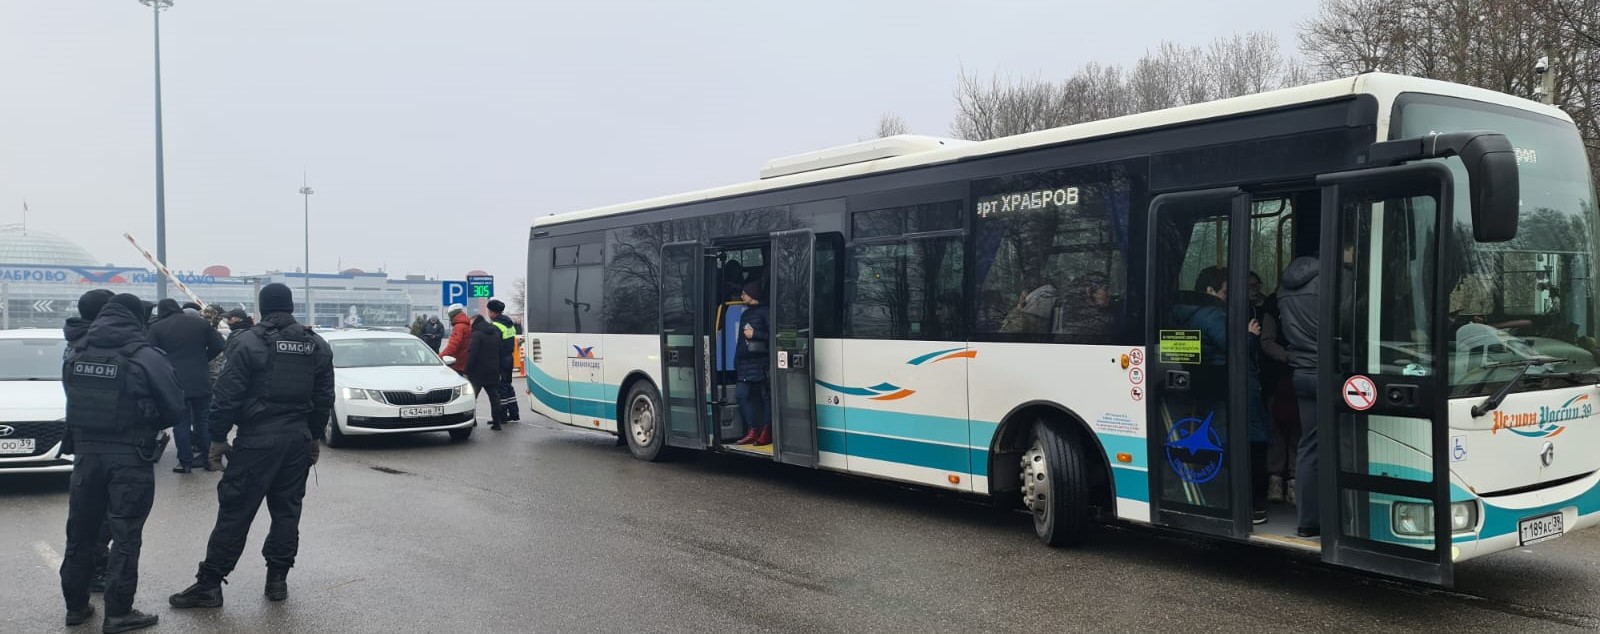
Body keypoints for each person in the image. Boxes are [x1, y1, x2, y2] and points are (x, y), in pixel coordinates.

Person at [169, 284, 335, 609]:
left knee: (235, 512)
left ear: (260, 308)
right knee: (287, 512)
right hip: (297, 440)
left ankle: (210, 584)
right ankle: (277, 582)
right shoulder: (315, 345)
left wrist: (218, 437)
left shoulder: (247, 342)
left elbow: (226, 395)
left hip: (257, 440)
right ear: (291, 307)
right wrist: (313, 436)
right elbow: (323, 398)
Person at [59, 293, 187, 633]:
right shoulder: (145, 356)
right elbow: (175, 408)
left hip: (86, 456)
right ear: (135, 318)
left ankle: (75, 607)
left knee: (81, 533)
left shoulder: (77, 351)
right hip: (130, 457)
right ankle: (118, 613)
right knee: (126, 534)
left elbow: (72, 396)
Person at [1172, 267, 1270, 524]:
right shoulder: (1213, 314)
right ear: (1210, 291)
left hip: (1212, 387)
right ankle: (1253, 507)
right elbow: (1236, 349)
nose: (1230, 296)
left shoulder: (1186, 313)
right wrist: (1249, 336)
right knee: (1253, 442)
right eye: (1226, 291)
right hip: (1235, 386)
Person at [60, 289, 117, 596]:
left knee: (88, 511)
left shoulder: (75, 342)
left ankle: (89, 569)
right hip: (105, 437)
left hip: (84, 435)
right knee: (104, 512)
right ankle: (96, 565)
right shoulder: (92, 345)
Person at [148, 299, 227, 474]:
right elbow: (219, 345)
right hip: (201, 378)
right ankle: (209, 459)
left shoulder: (157, 327)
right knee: (204, 420)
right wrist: (202, 359)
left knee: (181, 423)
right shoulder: (200, 323)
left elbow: (151, 354)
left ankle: (185, 463)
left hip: (174, 381)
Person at [1276, 254, 1322, 538]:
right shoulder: (1331, 280)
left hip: (1301, 373)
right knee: (1341, 444)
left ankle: (1308, 521)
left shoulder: (1283, 289)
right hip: (1329, 372)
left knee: (1309, 444)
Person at [732, 282, 772, 446]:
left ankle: (766, 431)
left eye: (744, 293)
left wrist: (755, 334)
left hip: (761, 362)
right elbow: (741, 341)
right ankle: (753, 430)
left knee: (765, 397)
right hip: (745, 362)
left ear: (752, 295)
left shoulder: (766, 312)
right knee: (742, 395)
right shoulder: (745, 314)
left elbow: (773, 335)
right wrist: (736, 359)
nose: (741, 296)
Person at [466, 313, 508, 431]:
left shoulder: (476, 335)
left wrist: (467, 370)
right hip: (493, 371)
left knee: (472, 398)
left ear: (475, 322)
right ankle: (497, 423)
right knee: (495, 398)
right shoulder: (495, 332)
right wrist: (499, 368)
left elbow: (472, 354)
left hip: (477, 373)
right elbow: (501, 352)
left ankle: (472, 421)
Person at [487, 300, 522, 423]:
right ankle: (513, 413)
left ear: (492, 312)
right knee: (507, 385)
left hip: (500, 359)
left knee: (500, 387)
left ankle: (502, 416)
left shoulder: (495, 326)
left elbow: (493, 345)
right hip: (509, 357)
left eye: (489, 311)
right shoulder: (509, 323)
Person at [438, 304, 471, 375]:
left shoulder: (459, 327)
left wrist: (439, 358)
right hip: (467, 361)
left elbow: (452, 347)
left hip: (459, 363)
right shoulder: (467, 325)